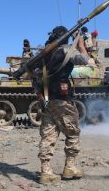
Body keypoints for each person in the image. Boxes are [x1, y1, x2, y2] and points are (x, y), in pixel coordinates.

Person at [35, 26, 89, 184]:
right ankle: (69, 168)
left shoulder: (43, 54)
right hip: (62, 99)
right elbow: (84, 60)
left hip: (48, 100)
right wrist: (80, 44)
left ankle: (45, 172)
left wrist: (41, 97)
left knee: (48, 136)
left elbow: (36, 77)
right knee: (72, 133)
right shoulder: (65, 50)